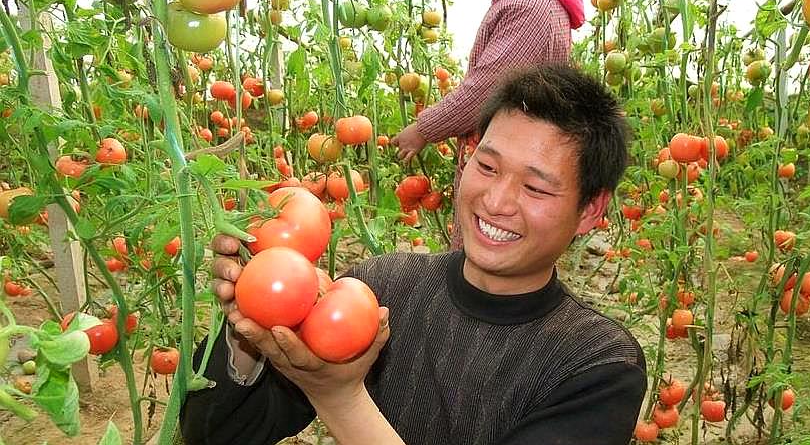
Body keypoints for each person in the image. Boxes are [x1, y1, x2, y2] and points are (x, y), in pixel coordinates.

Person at [180, 65, 646, 445]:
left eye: (535, 186)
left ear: (590, 209)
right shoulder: (380, 289)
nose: (497, 201)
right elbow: (216, 433)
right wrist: (249, 332)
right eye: (486, 166)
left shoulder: (596, 364)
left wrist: (340, 396)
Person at [391, 0, 585, 248]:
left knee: (488, 258)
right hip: (520, 161)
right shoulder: (531, 0)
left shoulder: (530, 7)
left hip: (509, 167)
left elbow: (486, 90)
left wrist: (424, 128)